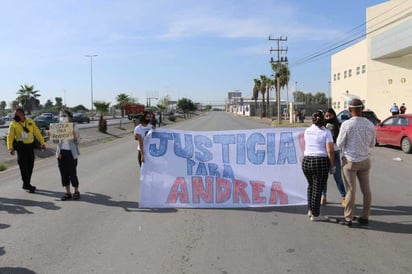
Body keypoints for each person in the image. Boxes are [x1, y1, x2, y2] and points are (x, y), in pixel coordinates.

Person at [337, 98, 376, 226]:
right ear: (362, 109)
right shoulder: (370, 124)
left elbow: (339, 143)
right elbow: (372, 144)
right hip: (365, 160)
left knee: (351, 190)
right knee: (366, 190)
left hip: (350, 161)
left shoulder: (347, 124)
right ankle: (365, 216)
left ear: (349, 110)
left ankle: (348, 217)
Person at [302, 110, 335, 221]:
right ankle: (316, 214)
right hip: (320, 161)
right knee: (318, 188)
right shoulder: (326, 132)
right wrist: (332, 165)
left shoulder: (307, 131)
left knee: (311, 186)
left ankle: (310, 210)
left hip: (306, 160)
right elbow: (330, 150)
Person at [6, 108, 46, 193]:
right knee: (23, 167)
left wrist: (42, 143)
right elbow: (10, 136)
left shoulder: (30, 122)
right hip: (21, 148)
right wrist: (10, 148)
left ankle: (26, 183)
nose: (15, 116)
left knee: (30, 166)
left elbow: (37, 132)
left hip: (30, 147)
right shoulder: (13, 124)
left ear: (22, 114)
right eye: (15, 114)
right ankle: (27, 184)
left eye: (17, 114)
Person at [322, 108, 347, 206]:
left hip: (335, 153)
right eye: (326, 116)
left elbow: (342, 140)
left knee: (337, 177)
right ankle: (323, 196)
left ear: (334, 115)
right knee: (324, 178)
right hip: (325, 154)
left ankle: (344, 196)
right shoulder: (322, 127)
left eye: (330, 116)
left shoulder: (339, 125)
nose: (328, 118)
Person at [55, 110, 81, 201]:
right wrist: (52, 135)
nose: (62, 117)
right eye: (61, 115)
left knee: (72, 173)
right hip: (61, 153)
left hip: (71, 153)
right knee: (63, 173)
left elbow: (78, 141)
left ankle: (76, 191)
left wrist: (74, 136)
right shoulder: (58, 126)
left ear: (69, 117)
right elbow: (55, 141)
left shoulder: (74, 126)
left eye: (64, 115)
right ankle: (68, 192)